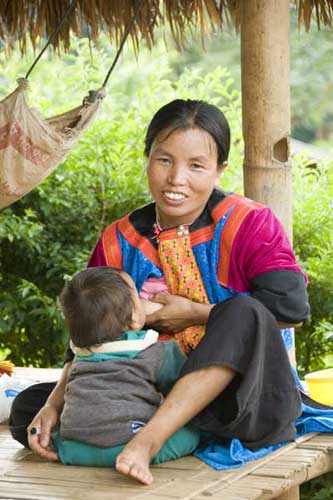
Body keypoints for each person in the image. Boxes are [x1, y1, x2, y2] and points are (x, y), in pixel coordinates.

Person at [9, 99, 310, 486]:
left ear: (219, 171)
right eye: (164, 160)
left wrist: (195, 312)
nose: (176, 179)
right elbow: (86, 338)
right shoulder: (119, 240)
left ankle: (147, 441)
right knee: (27, 412)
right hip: (148, 394)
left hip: (242, 400)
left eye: (196, 165)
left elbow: (291, 308)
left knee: (243, 311)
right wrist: (53, 406)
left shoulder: (250, 222)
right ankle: (163, 431)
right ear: (147, 157)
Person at [53, 266, 200, 466]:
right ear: (133, 318)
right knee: (194, 431)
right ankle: (141, 453)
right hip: (124, 444)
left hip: (73, 449)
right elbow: (183, 390)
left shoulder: (79, 355)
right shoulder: (154, 350)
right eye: (136, 296)